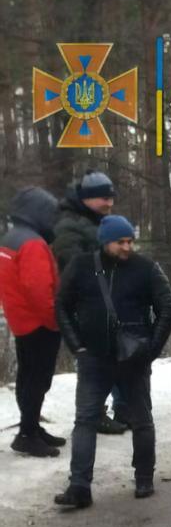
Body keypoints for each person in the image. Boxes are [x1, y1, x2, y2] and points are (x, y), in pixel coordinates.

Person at [54, 215, 171, 508]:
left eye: (130, 241)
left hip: (133, 360)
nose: (127, 247)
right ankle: (79, 487)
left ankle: (144, 478)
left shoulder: (145, 268)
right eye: (120, 242)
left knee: (141, 420)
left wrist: (151, 349)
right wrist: (77, 346)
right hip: (93, 359)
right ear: (104, 241)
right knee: (85, 420)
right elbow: (61, 304)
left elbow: (168, 309)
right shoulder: (82, 266)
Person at [52, 170, 128, 434]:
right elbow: (72, 266)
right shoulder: (69, 224)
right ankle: (92, 414)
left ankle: (122, 408)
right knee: (93, 360)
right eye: (102, 198)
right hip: (85, 303)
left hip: (108, 298)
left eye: (111, 198)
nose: (108, 203)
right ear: (86, 199)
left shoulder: (100, 221)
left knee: (118, 352)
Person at [0, 187, 64, 457]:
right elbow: (39, 289)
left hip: (20, 320)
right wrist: (55, 321)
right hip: (39, 323)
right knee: (38, 379)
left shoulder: (9, 239)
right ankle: (27, 433)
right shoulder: (33, 244)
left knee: (28, 376)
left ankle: (31, 427)